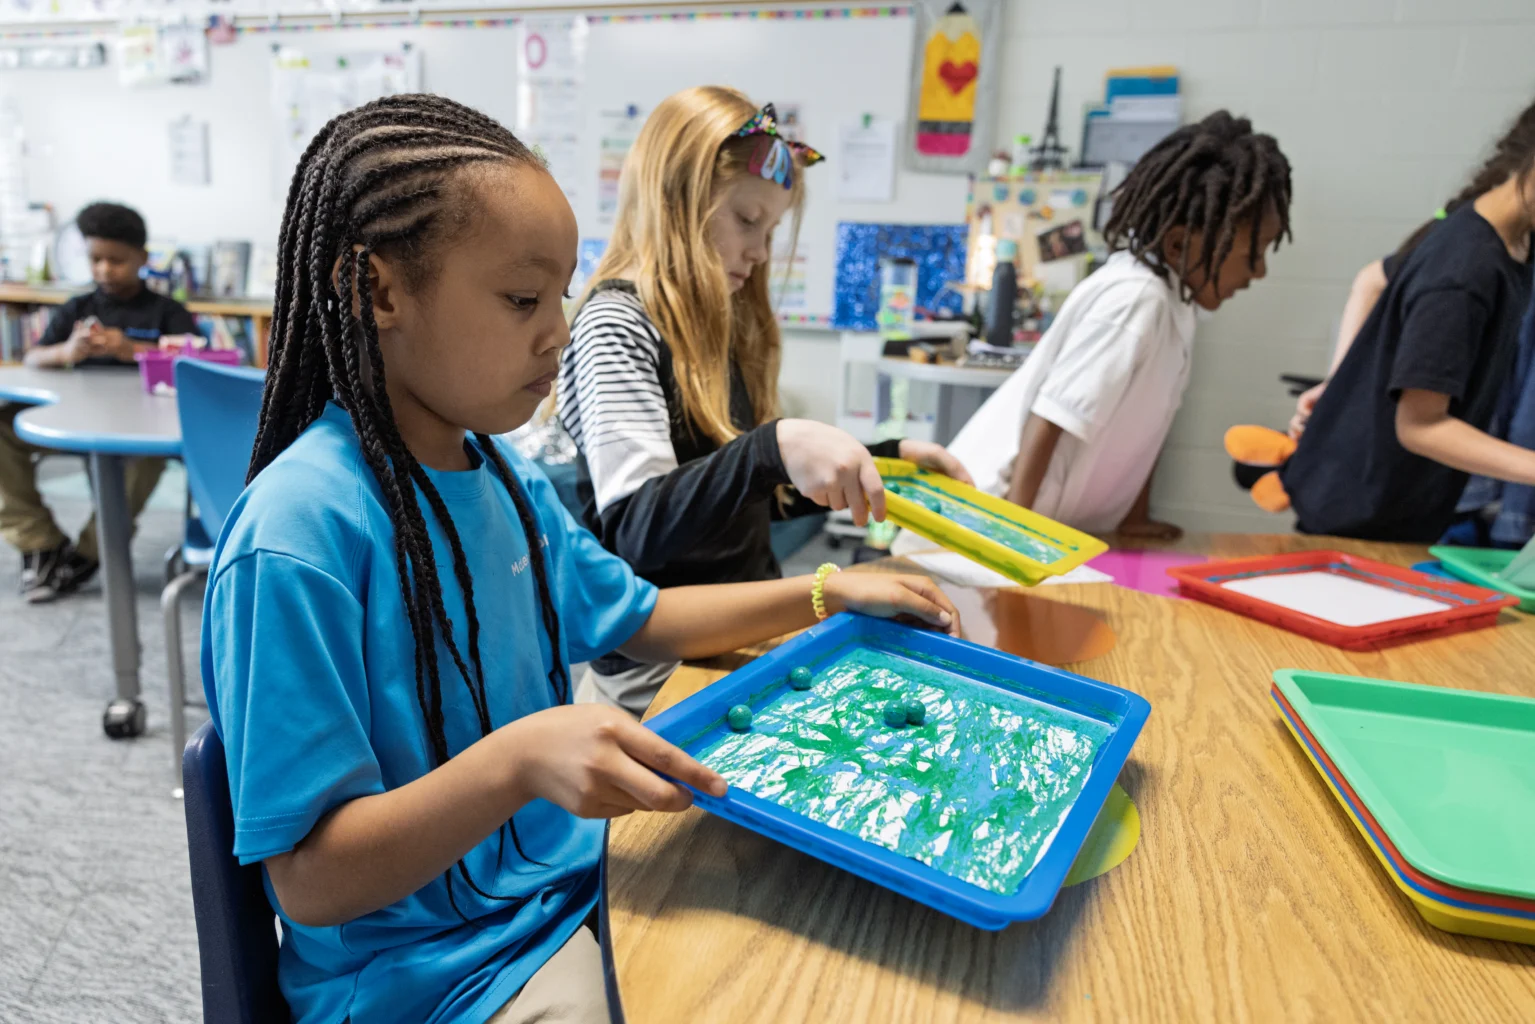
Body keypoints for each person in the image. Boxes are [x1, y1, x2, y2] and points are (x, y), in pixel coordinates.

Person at [204, 94, 961, 1024]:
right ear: (379, 290)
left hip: (564, 888)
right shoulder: (298, 536)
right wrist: (518, 761)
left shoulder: (502, 477)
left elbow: (641, 615)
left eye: (558, 296)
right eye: (523, 299)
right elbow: (312, 885)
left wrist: (824, 591)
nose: (558, 331)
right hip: (432, 979)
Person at [556, 87, 970, 716]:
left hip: (744, 640)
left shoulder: (714, 324)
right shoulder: (616, 324)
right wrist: (768, 449)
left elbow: (746, 498)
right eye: (748, 221)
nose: (760, 251)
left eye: (771, 230)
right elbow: (637, 532)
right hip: (660, 678)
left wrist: (885, 463)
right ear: (677, 202)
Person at [943, 111, 1292, 539]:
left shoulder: (1177, 307)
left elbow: (1146, 432)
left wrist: (1132, 519)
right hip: (986, 521)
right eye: (1251, 255)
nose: (1258, 273)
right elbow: (1049, 419)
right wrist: (1012, 537)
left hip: (1041, 526)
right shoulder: (1135, 298)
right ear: (1179, 243)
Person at [1225, 98, 1535, 542]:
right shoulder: (1465, 273)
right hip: (1365, 514)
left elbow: (1372, 279)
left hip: (1390, 502)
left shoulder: (1496, 232)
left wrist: (1339, 383)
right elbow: (1421, 426)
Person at [0, 201, 196, 602]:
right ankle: (40, 544)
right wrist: (67, 352)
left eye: (116, 260)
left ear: (142, 258)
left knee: (144, 460)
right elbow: (36, 356)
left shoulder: (168, 311)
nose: (104, 269)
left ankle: (88, 553)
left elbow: (193, 360)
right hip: (77, 422)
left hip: (142, 428)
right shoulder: (77, 308)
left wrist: (134, 350)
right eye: (95, 259)